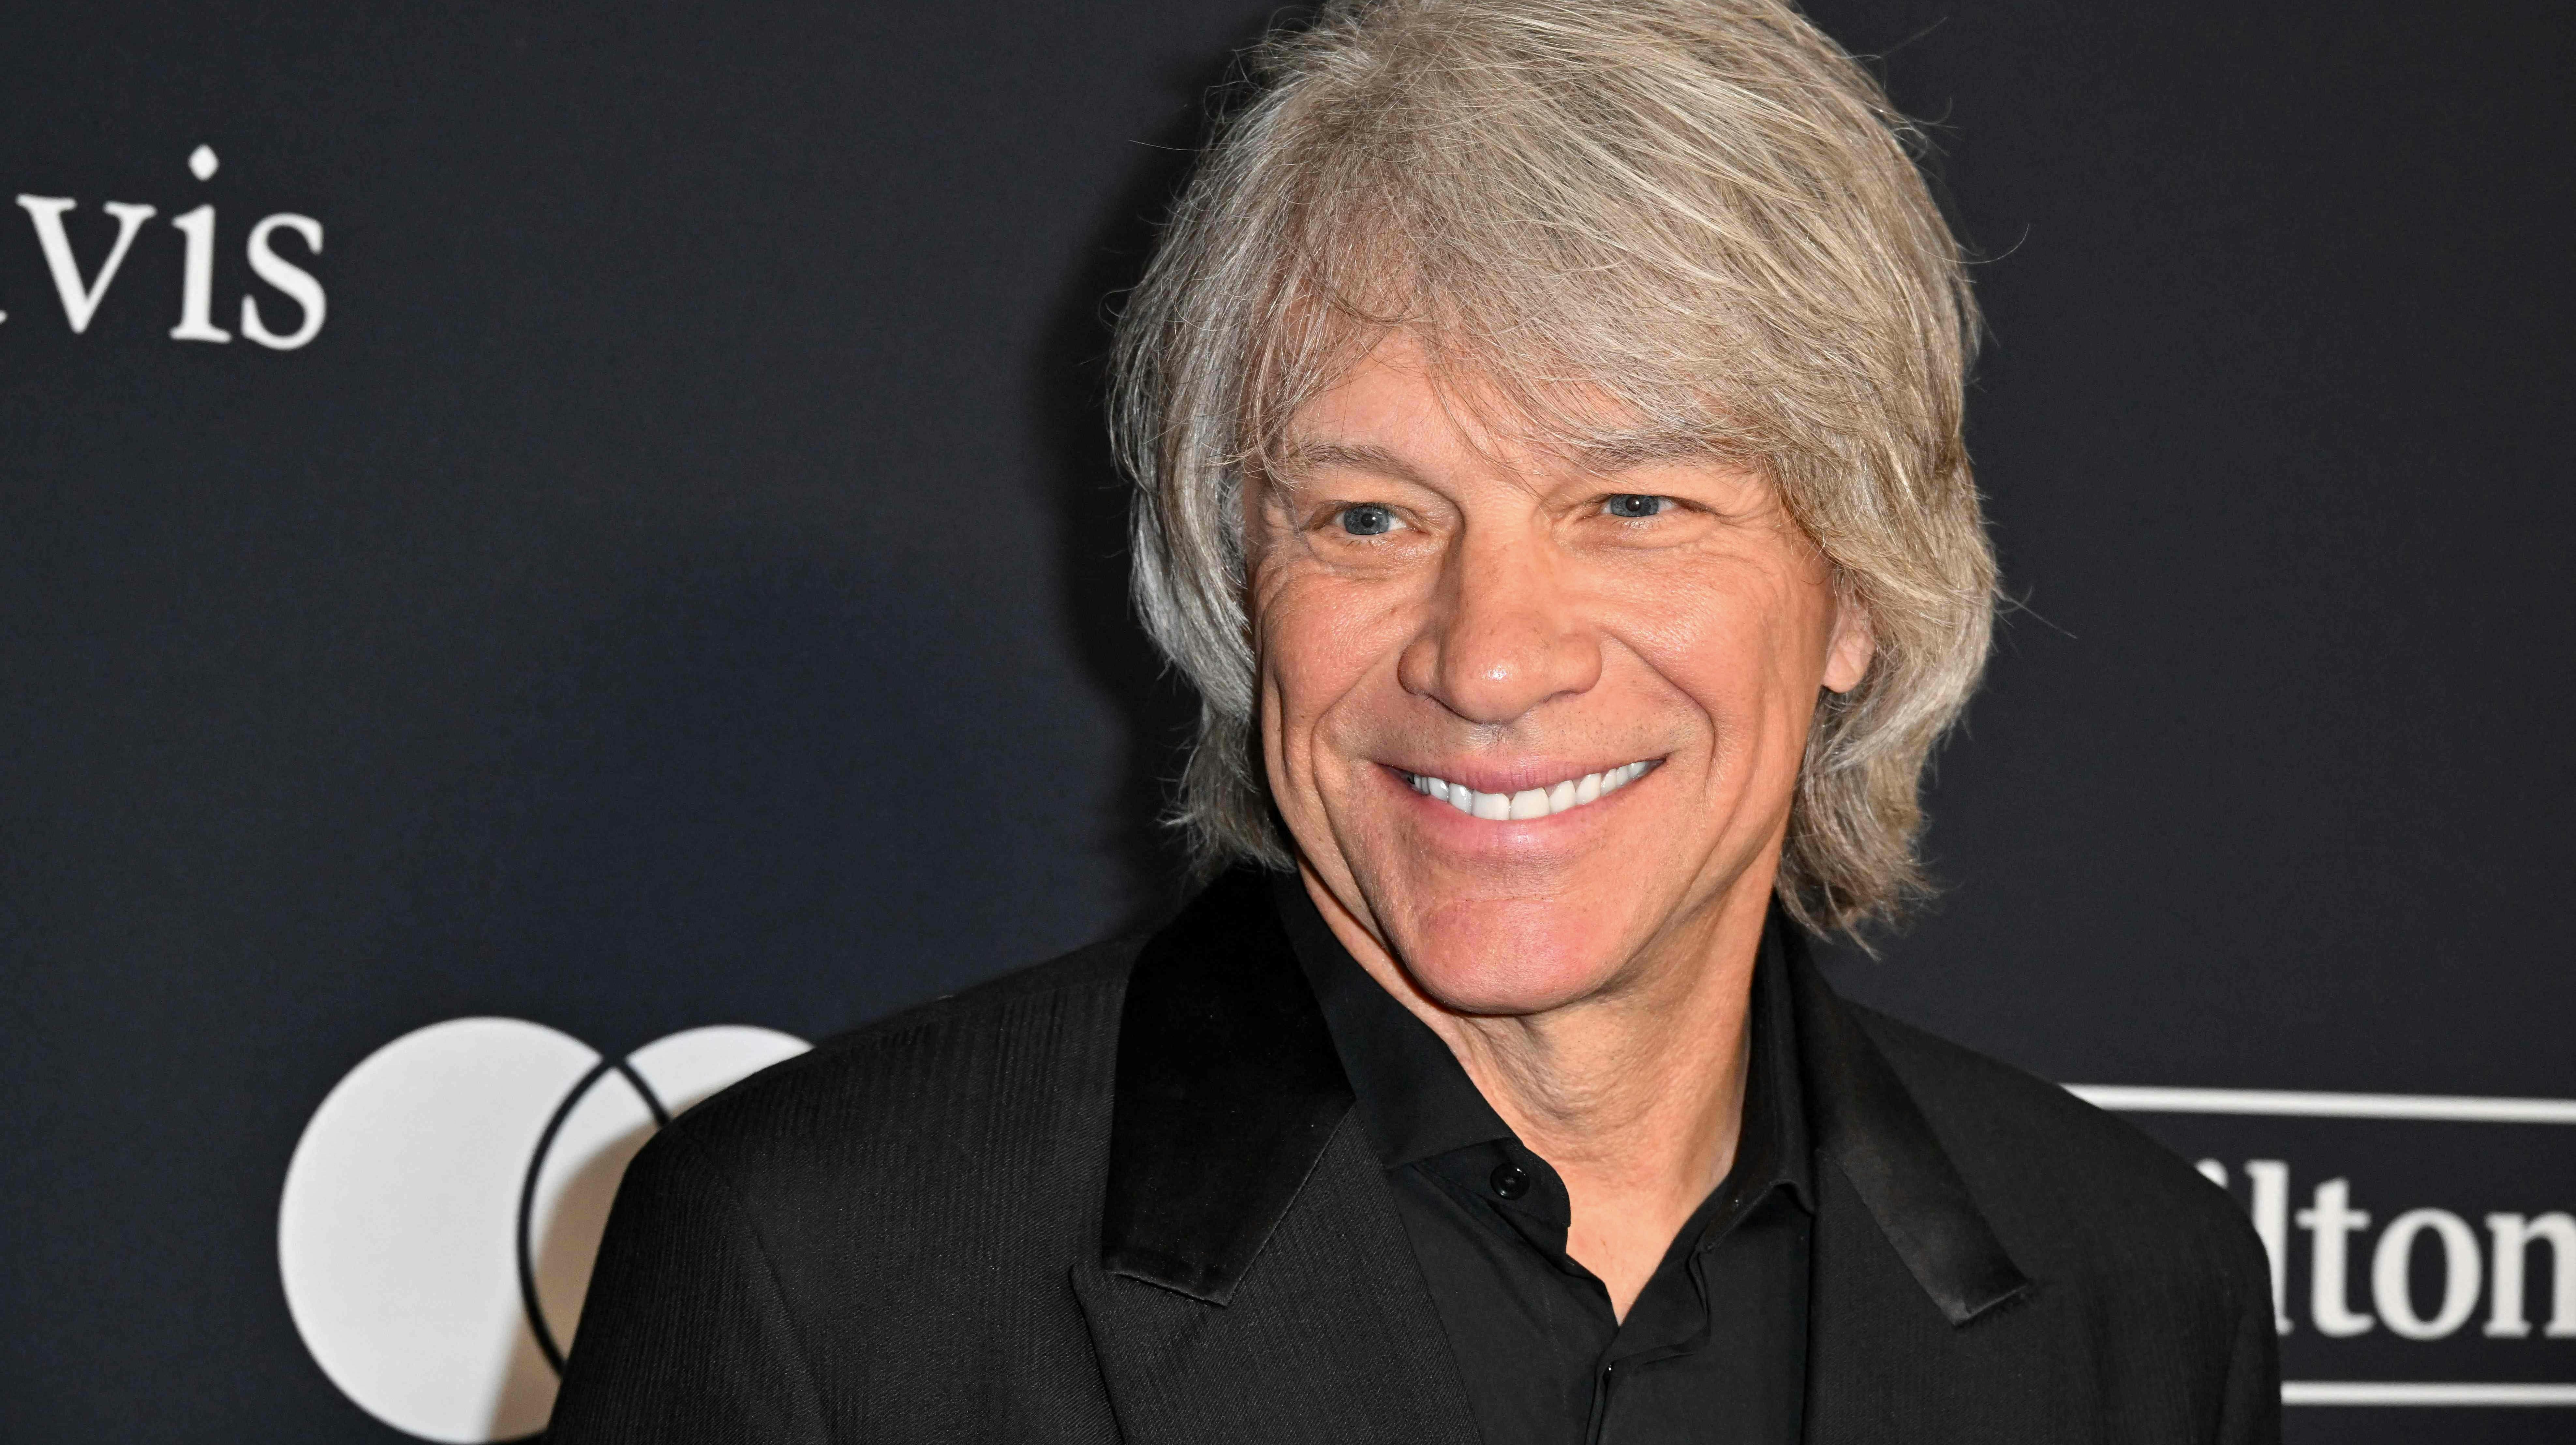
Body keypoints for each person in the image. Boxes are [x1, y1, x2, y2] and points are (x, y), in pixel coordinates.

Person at [546, 1, 2280, 1440]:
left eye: (1636, 505)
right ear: (1237, 585)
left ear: (1857, 593)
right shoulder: (827, 1272)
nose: (1491, 658)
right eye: (1369, 518)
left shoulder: (2138, 1314)